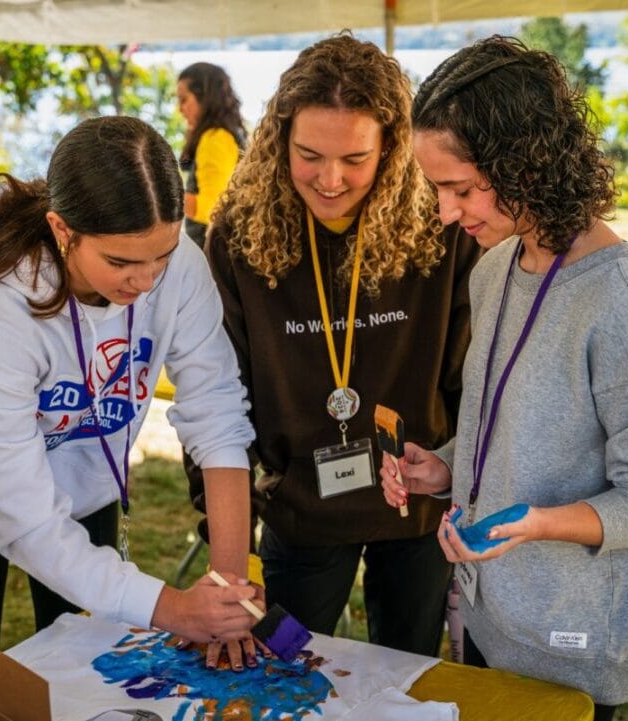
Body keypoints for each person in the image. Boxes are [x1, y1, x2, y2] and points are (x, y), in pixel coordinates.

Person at [386, 36, 628, 720]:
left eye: (461, 188)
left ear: (525, 160)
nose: (449, 213)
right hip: (491, 619)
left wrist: (541, 524)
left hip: (575, 649)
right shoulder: (495, 268)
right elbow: (518, 428)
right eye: (439, 190)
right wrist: (445, 468)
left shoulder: (618, 301)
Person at [0, 116, 259, 677]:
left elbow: (217, 412)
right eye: (120, 262)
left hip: (88, 486)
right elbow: (25, 519)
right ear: (61, 229)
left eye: (161, 256)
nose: (145, 281)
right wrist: (174, 611)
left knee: (89, 668)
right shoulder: (1, 303)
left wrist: (227, 589)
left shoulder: (179, 265)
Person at [192, 33, 481, 661]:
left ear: (393, 147)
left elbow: (471, 379)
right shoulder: (238, 238)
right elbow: (215, 398)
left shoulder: (445, 227)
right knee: (287, 673)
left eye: (355, 158)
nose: (330, 180)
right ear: (278, 141)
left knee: (407, 678)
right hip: (302, 511)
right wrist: (229, 547)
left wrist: (459, 475)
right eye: (309, 155)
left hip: (418, 509)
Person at [176, 62, 246, 247]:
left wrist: (163, 197)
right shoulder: (226, 133)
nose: (179, 109)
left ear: (204, 98)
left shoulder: (215, 138)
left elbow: (212, 206)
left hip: (212, 252)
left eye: (184, 100)